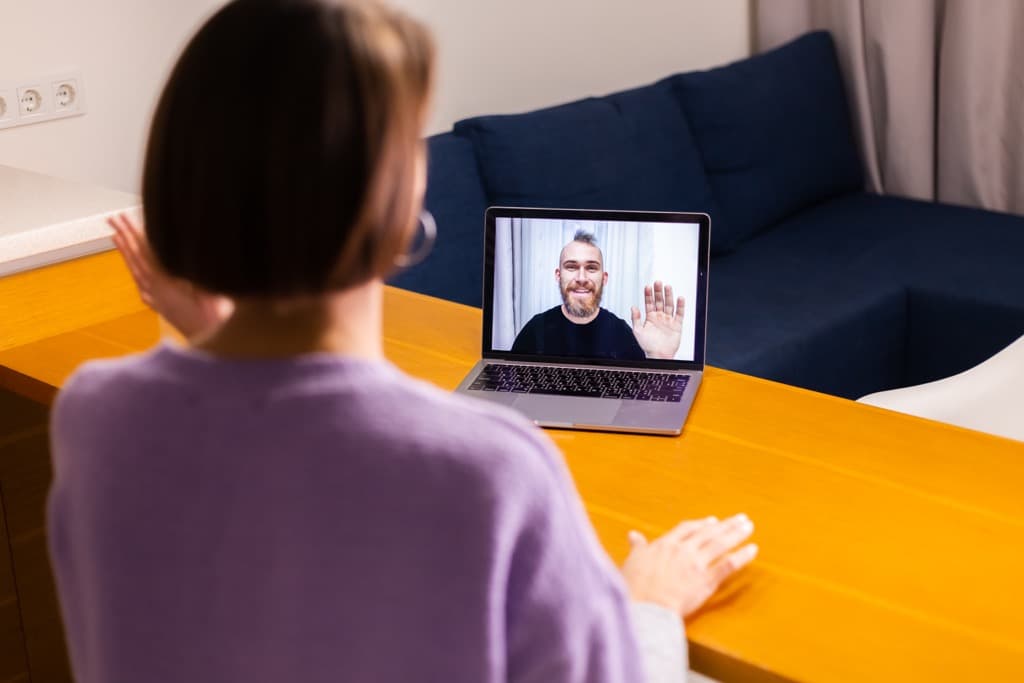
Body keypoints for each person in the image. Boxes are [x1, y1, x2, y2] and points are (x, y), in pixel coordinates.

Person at [46, 1, 757, 682]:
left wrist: (218, 334)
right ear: (392, 206)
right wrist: (648, 604)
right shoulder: (491, 471)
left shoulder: (93, 415)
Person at [511, 231, 686, 360]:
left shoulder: (623, 334)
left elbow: (643, 397)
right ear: (558, 275)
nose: (581, 278)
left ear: (604, 278)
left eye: (591, 268)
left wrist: (661, 358)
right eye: (571, 267)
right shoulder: (535, 330)